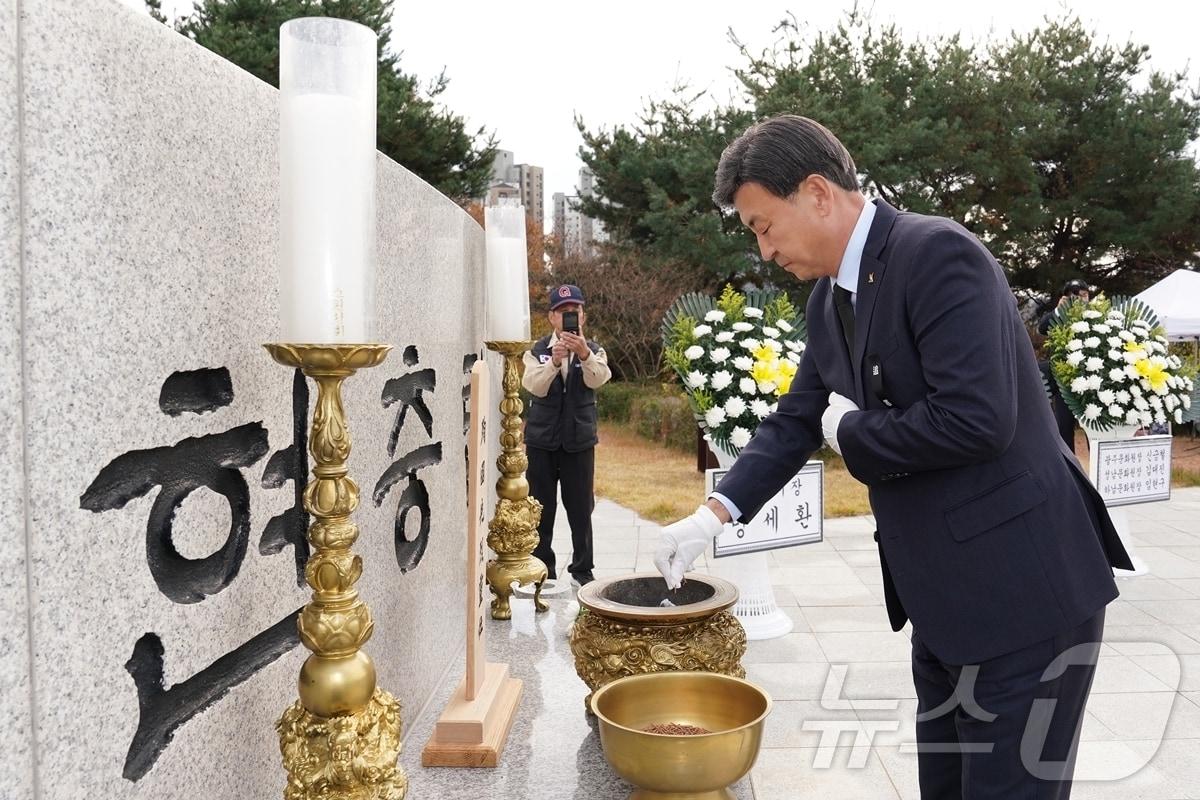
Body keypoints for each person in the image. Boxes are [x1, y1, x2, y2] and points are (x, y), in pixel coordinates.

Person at [653, 116, 1132, 799]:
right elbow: (795, 422)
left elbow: (977, 420)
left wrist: (852, 433)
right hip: (944, 603)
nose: (763, 251)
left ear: (817, 193)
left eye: (763, 226)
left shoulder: (936, 254)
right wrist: (710, 517)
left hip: (1025, 595)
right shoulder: (827, 302)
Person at [522, 284, 611, 587]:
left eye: (574, 311)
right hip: (541, 440)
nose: (568, 317)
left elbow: (599, 378)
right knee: (540, 505)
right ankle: (541, 565)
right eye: (562, 312)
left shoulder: (595, 350)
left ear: (583, 317)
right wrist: (555, 361)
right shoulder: (537, 351)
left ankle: (582, 569)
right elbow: (533, 386)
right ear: (551, 317)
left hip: (579, 440)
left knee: (581, 506)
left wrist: (583, 353)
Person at [1037, 279, 1091, 450]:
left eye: (1084, 295)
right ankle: (1069, 472)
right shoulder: (1058, 317)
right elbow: (1042, 328)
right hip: (1064, 382)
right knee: (1064, 428)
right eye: (1074, 296)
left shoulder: (1095, 315)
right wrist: (1059, 311)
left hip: (1090, 381)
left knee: (1093, 428)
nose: (1079, 299)